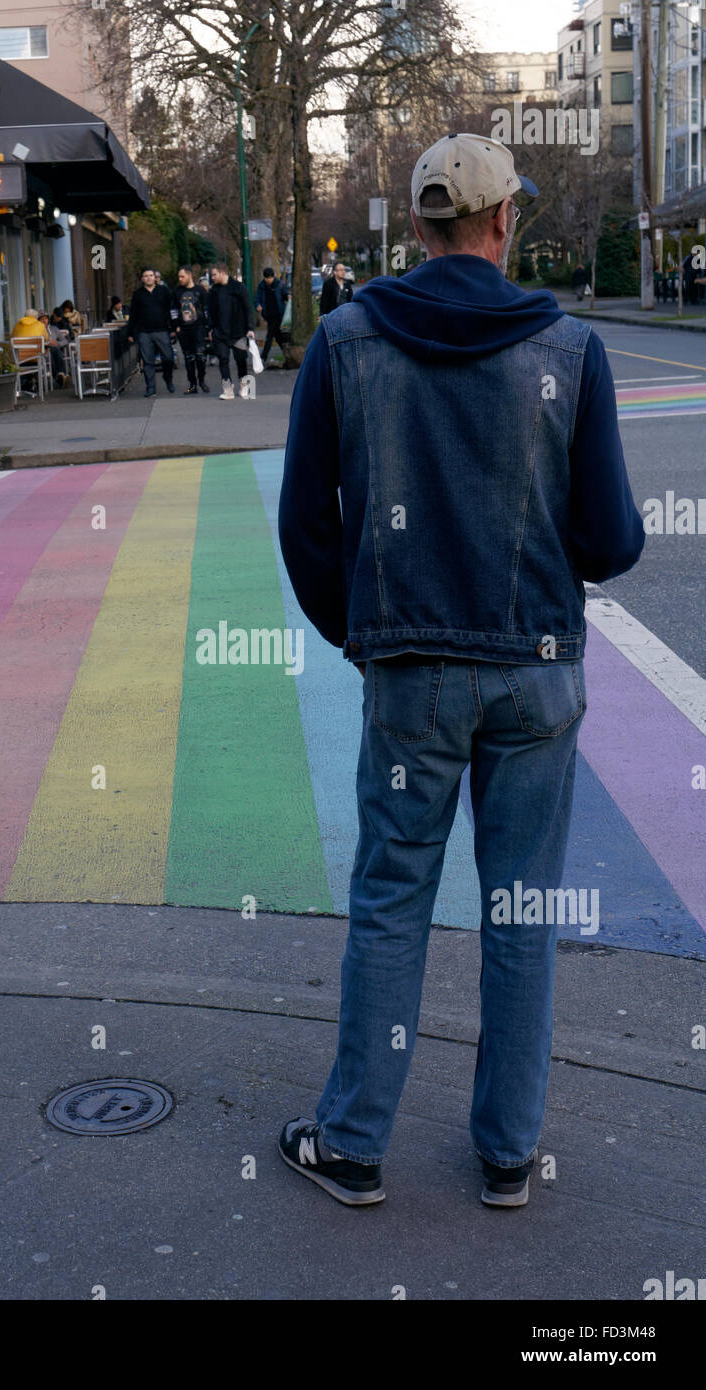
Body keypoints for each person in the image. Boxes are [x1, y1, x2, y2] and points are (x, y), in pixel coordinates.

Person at [276, 132, 645, 1209]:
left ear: (421, 225)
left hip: (410, 674)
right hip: (535, 675)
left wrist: (366, 628)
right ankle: (508, 1151)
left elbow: (309, 527)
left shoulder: (345, 342)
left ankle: (351, 1144)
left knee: (391, 900)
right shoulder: (570, 350)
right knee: (522, 908)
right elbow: (613, 538)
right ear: (501, 223)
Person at [208, 261, 255, 399]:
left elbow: (248, 308)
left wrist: (250, 328)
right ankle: (227, 388)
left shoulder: (238, 288)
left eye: (214, 274)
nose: (212, 277)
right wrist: (211, 329)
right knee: (223, 359)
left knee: (241, 359)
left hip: (238, 331)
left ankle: (243, 384)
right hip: (220, 332)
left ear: (223, 273)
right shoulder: (214, 291)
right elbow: (210, 311)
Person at [126, 266, 176, 396]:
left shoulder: (164, 291)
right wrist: (130, 332)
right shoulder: (138, 294)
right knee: (148, 361)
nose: (149, 278)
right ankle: (150, 388)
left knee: (168, 358)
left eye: (151, 275)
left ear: (155, 277)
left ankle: (168, 378)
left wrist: (173, 328)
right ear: (142, 279)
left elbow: (171, 310)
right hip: (144, 332)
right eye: (146, 276)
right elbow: (133, 314)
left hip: (162, 330)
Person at [172, 265, 210, 394]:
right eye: (179, 276)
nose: (180, 279)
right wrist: (175, 326)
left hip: (198, 328)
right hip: (183, 329)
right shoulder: (176, 291)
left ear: (190, 275)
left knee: (200, 356)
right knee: (188, 358)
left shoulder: (200, 290)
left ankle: (202, 380)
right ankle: (192, 384)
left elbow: (206, 309)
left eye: (182, 276)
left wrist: (208, 327)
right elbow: (173, 310)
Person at [254, 267, 290, 366]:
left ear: (273, 277)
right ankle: (287, 354)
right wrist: (258, 305)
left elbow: (284, 295)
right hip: (269, 315)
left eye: (270, 278)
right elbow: (257, 298)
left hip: (278, 314)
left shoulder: (279, 284)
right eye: (266, 278)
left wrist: (288, 296)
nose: (268, 280)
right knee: (278, 336)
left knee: (270, 336)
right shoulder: (261, 286)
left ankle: (263, 357)